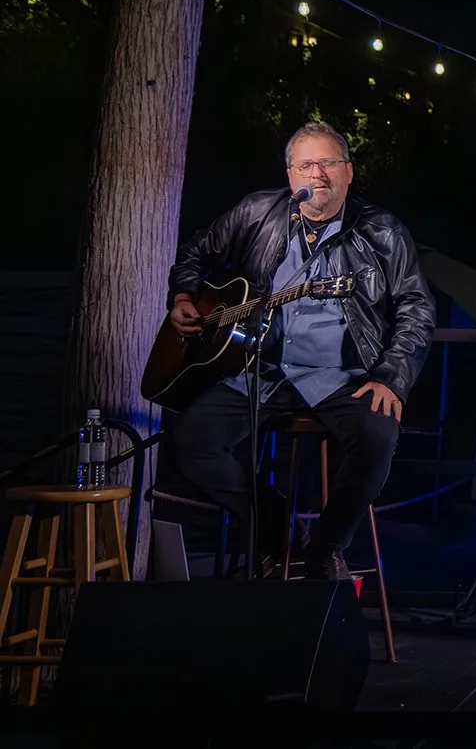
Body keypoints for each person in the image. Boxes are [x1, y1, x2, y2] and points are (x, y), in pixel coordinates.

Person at [163, 121, 436, 578]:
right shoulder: (257, 212)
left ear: (349, 172)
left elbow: (416, 308)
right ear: (291, 175)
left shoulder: (382, 231)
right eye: (307, 165)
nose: (319, 175)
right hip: (261, 368)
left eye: (329, 163)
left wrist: (391, 376)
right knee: (191, 442)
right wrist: (184, 297)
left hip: (343, 375)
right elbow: (196, 251)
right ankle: (278, 532)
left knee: (378, 435)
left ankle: (325, 548)